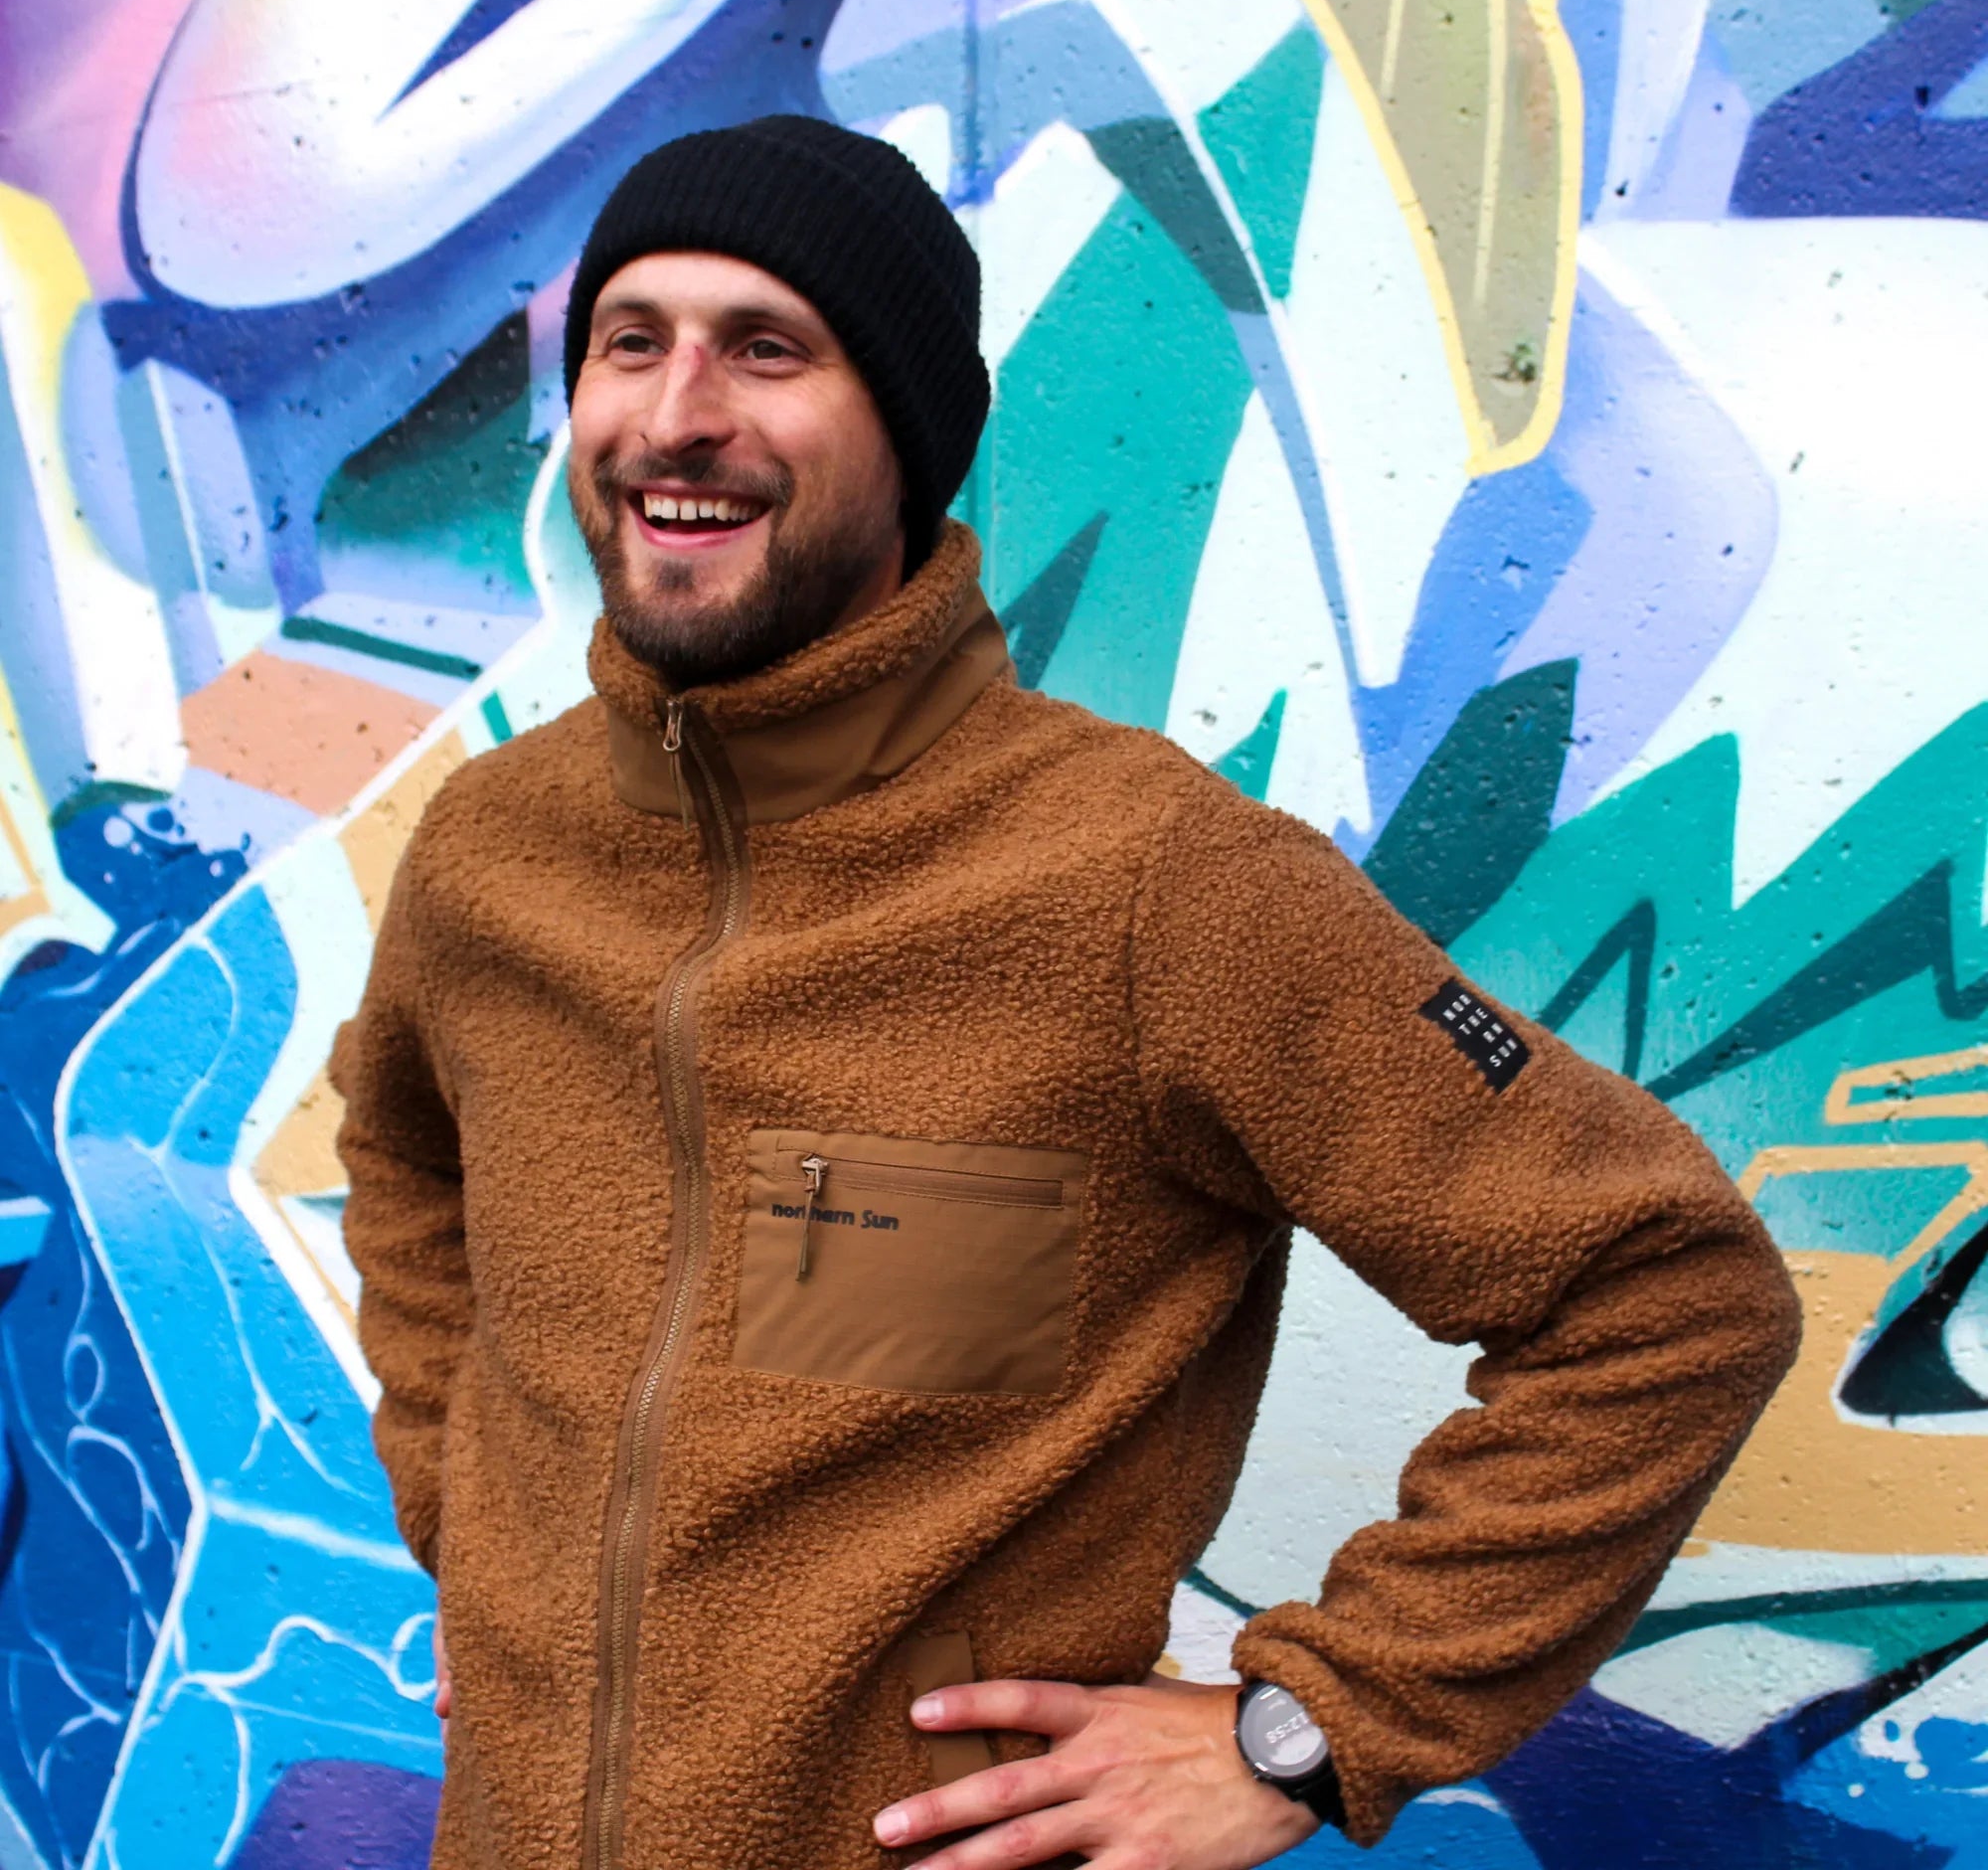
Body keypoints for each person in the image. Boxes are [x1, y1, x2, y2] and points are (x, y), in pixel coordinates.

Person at [332, 115, 1802, 1870]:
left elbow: (1664, 1295)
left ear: (912, 439)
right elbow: (407, 1154)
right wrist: (465, 1501)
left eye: (768, 350)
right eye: (630, 342)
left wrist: (1311, 1728)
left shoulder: (1150, 885)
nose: (674, 414)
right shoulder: (495, 851)